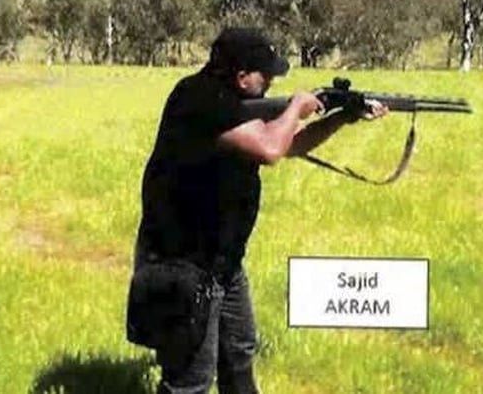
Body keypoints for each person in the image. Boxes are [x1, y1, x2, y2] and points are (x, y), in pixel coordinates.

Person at [125, 27, 387, 394]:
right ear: (241, 76)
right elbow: (270, 149)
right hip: (184, 262)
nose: (270, 84)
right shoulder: (200, 99)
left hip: (223, 259)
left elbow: (290, 144)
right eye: (265, 76)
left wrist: (341, 117)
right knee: (191, 377)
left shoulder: (231, 101)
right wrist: (296, 107)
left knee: (239, 351)